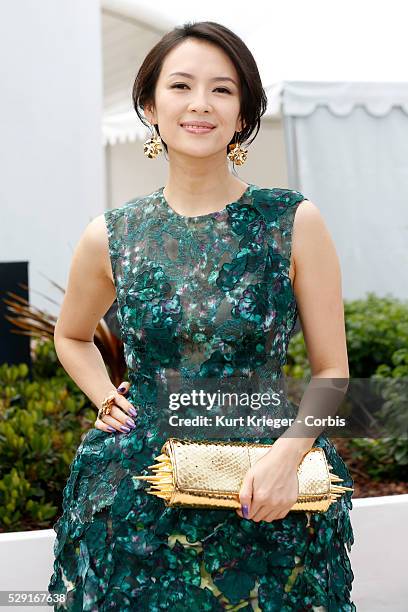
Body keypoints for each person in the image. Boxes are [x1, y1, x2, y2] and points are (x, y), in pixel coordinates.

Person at [48, 20, 356, 611]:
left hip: (265, 485)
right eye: (181, 86)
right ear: (149, 105)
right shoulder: (112, 235)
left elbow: (333, 371)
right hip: (135, 495)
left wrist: (287, 459)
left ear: (243, 115)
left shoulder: (291, 222)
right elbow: (70, 335)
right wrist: (103, 395)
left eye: (222, 89)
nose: (200, 104)